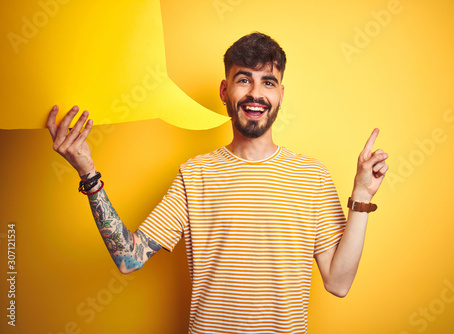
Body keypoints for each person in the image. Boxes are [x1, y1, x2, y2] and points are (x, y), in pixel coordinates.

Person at [47, 32, 388, 333]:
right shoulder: (194, 174)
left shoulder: (312, 176)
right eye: (244, 80)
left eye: (267, 82)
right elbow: (129, 258)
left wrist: (360, 196)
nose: (256, 93)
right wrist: (87, 172)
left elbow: (339, 283)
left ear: (281, 94)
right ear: (225, 90)